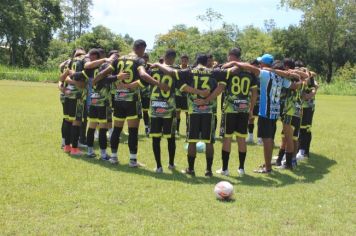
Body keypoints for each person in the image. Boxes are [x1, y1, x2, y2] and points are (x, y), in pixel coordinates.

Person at [94, 39, 169, 167]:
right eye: (144, 50)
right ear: (140, 48)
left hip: (118, 99)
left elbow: (102, 75)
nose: (143, 53)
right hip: (132, 100)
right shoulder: (138, 60)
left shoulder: (119, 60)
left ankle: (113, 157)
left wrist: (100, 80)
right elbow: (144, 76)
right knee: (133, 130)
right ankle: (133, 160)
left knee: (117, 129)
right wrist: (159, 84)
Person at [223, 54, 300, 173]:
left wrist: (234, 63)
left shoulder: (265, 74)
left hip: (265, 112)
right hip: (275, 111)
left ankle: (268, 168)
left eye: (261, 63)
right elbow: (294, 85)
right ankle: (267, 164)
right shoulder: (280, 77)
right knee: (269, 138)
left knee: (266, 140)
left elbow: (249, 67)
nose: (259, 65)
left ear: (265, 64)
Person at [153, 54, 226, 177]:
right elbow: (222, 86)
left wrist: (158, 64)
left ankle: (191, 169)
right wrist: (207, 99)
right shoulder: (214, 72)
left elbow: (172, 73)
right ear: (207, 61)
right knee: (209, 142)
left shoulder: (189, 71)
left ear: (196, 61)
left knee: (192, 141)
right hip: (209, 111)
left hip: (193, 112)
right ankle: (208, 170)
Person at [197, 48, 258, 176]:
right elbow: (254, 93)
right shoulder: (249, 71)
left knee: (227, 139)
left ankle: (225, 169)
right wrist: (251, 109)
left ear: (230, 56)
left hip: (230, 109)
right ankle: (241, 169)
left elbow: (220, 88)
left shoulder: (228, 71)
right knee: (241, 138)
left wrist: (207, 99)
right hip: (244, 109)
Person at [85, 49, 119, 160]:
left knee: (92, 127)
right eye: (114, 58)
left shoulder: (90, 67)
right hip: (102, 101)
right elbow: (105, 80)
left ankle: (90, 151)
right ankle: (103, 154)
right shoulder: (105, 66)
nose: (114, 60)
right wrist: (117, 77)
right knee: (102, 128)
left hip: (93, 100)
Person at [61, 48, 88, 156]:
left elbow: (61, 78)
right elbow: (81, 85)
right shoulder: (82, 64)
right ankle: (75, 149)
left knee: (67, 120)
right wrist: (73, 80)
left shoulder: (70, 62)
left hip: (68, 95)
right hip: (78, 97)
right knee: (76, 122)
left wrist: (68, 78)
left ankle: (67, 146)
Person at [296, 61, 318, 160]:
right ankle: (302, 151)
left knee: (304, 129)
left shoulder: (308, 79)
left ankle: (303, 152)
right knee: (303, 129)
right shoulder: (308, 80)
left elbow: (313, 88)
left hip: (307, 108)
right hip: (305, 107)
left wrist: (309, 95)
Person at [175, 54, 190, 137]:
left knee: (188, 113)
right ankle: (177, 130)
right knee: (177, 112)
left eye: (185, 60)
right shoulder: (177, 68)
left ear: (188, 61)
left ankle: (188, 131)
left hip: (187, 95)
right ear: (180, 60)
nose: (184, 62)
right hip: (177, 94)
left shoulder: (190, 69)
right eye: (183, 60)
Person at [140, 53, 151, 137]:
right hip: (139, 90)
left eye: (146, 57)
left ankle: (149, 127)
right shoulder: (138, 66)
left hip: (149, 91)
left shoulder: (150, 67)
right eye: (144, 57)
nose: (145, 59)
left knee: (148, 110)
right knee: (142, 111)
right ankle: (146, 127)